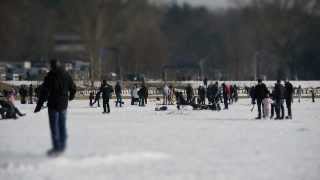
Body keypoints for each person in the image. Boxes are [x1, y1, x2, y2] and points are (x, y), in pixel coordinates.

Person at [34, 59, 76, 157]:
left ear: (52, 66)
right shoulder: (66, 75)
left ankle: (57, 148)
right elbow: (73, 88)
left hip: (53, 105)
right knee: (62, 126)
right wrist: (71, 97)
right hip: (63, 104)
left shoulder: (49, 76)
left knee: (54, 127)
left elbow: (44, 92)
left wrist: (39, 106)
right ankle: (62, 147)